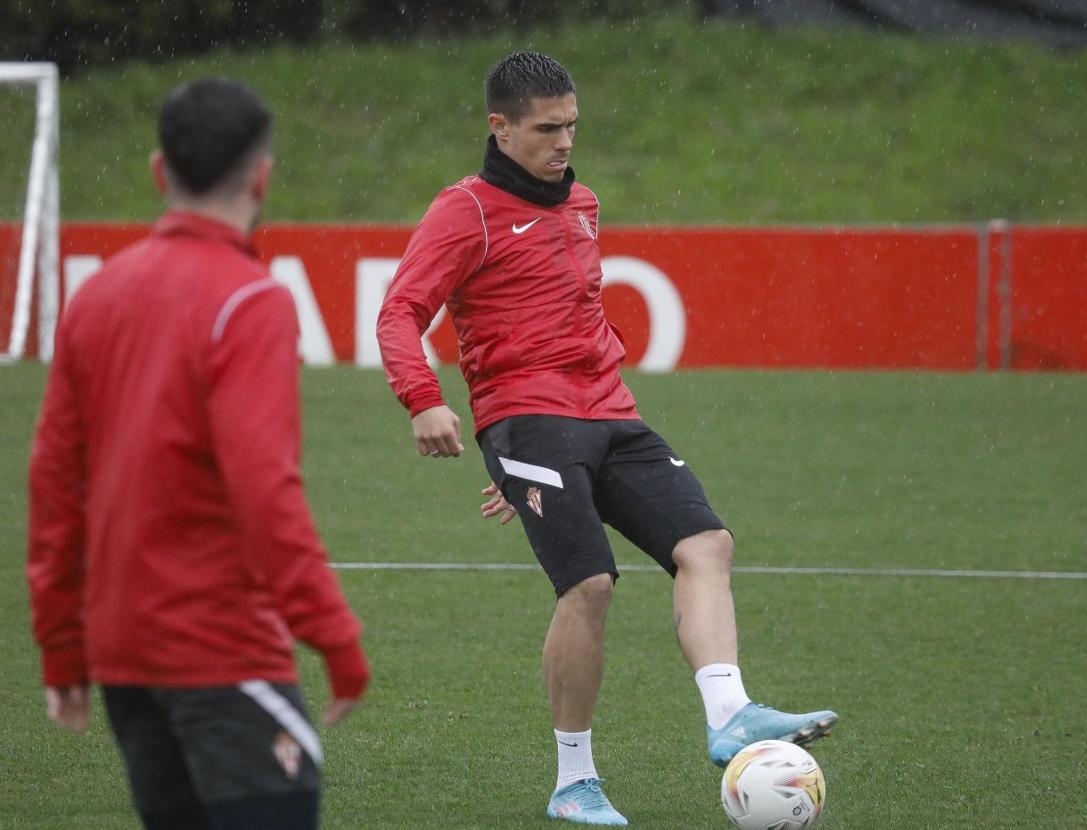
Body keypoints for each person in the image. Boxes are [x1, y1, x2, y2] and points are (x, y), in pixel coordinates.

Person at [377, 51, 835, 826]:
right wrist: (427, 401)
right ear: (501, 127)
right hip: (526, 415)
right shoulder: (466, 210)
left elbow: (576, 318)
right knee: (590, 585)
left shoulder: (583, 202)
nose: (564, 143)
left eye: (572, 126)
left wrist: (553, 459)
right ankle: (573, 782)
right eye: (547, 129)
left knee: (707, 544)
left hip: (608, 413)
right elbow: (398, 311)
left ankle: (729, 713)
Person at [27, 77, 370, 830]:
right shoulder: (252, 300)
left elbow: (54, 485)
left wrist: (61, 643)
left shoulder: (99, 295)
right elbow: (264, 488)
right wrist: (336, 636)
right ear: (261, 175)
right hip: (219, 648)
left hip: (123, 655)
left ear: (159, 172)